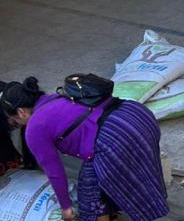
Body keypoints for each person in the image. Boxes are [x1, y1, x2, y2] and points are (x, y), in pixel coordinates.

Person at [1, 77, 169, 220]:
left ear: (21, 112)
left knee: (91, 201)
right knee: (98, 185)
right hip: (137, 115)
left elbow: (55, 172)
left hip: (115, 137)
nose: (18, 125)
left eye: (15, 120)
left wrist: (66, 207)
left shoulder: (34, 128)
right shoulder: (56, 97)